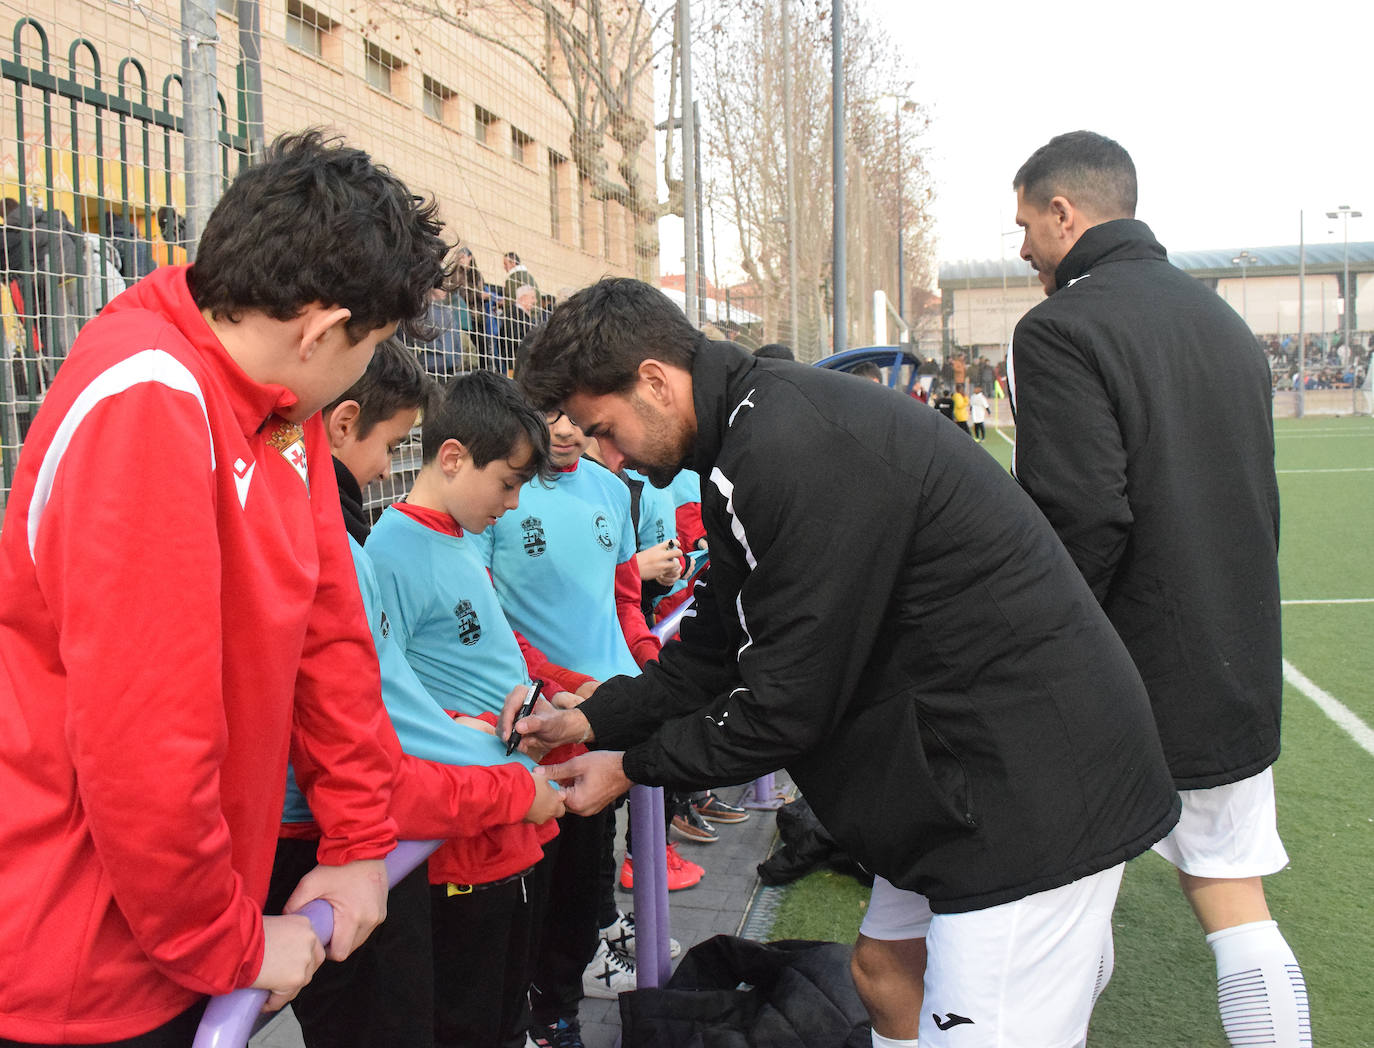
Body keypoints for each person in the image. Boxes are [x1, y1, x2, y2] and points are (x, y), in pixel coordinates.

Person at [504, 277, 1180, 1048]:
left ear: (654, 381)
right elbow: (719, 644)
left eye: (605, 427)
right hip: (955, 779)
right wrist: (591, 719)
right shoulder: (743, 443)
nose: (606, 453)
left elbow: (786, 705)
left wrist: (631, 766)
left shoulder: (788, 444)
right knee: (886, 974)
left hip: (1026, 792)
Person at [0, 130, 451, 1045]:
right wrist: (229, 943)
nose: (369, 368)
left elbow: (331, 634)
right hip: (83, 967)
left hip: (183, 938)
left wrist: (361, 840)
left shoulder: (284, 410)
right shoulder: (148, 400)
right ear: (323, 328)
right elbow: (144, 734)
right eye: (376, 344)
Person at [1005, 130, 1310, 1047]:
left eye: (1026, 223)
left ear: (1066, 213)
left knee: (1066, 897)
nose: (1021, 247)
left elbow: (1081, 518)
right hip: (1235, 649)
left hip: (1116, 673)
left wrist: (1028, 648)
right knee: (1233, 895)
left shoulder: (1059, 327)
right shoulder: (1221, 321)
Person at [269, 346, 566, 1048]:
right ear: (338, 423)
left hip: (396, 825)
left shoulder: (352, 539)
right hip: (385, 838)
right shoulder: (361, 552)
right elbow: (382, 734)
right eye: (396, 443)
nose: (388, 467)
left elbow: (398, 704)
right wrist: (506, 778)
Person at [363, 369, 583, 1048]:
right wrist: (468, 727)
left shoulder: (457, 537)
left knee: (504, 998)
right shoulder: (389, 553)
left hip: (509, 808)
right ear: (453, 458)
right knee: (467, 1009)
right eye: (509, 483)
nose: (513, 505)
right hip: (461, 837)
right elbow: (384, 694)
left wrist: (540, 697)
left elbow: (490, 652)